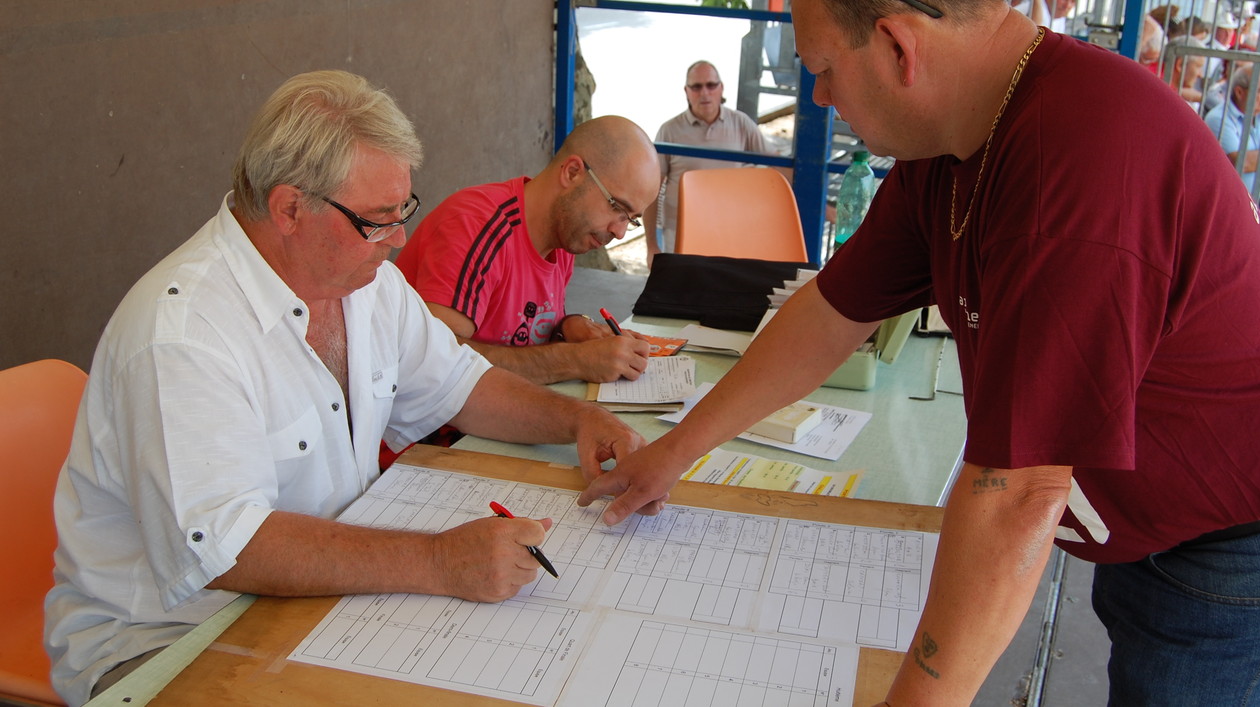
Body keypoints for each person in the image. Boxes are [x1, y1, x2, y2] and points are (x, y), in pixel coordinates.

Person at [579, 0, 1260, 705]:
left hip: (1230, 556)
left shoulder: (1073, 160)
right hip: (1143, 536)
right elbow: (827, 314)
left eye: (823, 69)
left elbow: (1018, 493)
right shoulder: (949, 144)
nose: (817, 97)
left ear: (897, 46)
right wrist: (676, 451)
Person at [45, 71, 651, 707]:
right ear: (288, 209)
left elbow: (460, 385)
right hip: (167, 645)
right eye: (377, 220)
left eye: (403, 210)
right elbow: (231, 550)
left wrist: (579, 423)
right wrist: (441, 562)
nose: (400, 240)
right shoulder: (183, 337)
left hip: (322, 596)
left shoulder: (364, 284)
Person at [397, 116, 660, 385]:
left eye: (631, 219)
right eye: (617, 207)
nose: (620, 232)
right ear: (572, 173)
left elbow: (521, 333)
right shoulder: (475, 226)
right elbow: (438, 361)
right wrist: (575, 360)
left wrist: (570, 327)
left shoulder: (565, 237)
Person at [641, 60, 775, 263]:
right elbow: (651, 190)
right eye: (696, 87)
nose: (705, 92)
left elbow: (778, 166)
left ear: (721, 88)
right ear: (686, 91)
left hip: (729, 232)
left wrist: (821, 202)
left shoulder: (741, 123)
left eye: (711, 85)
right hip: (680, 233)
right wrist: (651, 244)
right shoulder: (669, 130)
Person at [1204, 64, 1260, 214]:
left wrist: (1253, 161)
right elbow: (1240, 164)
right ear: (1239, 92)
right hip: (1236, 206)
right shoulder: (1219, 118)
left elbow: (1246, 163)